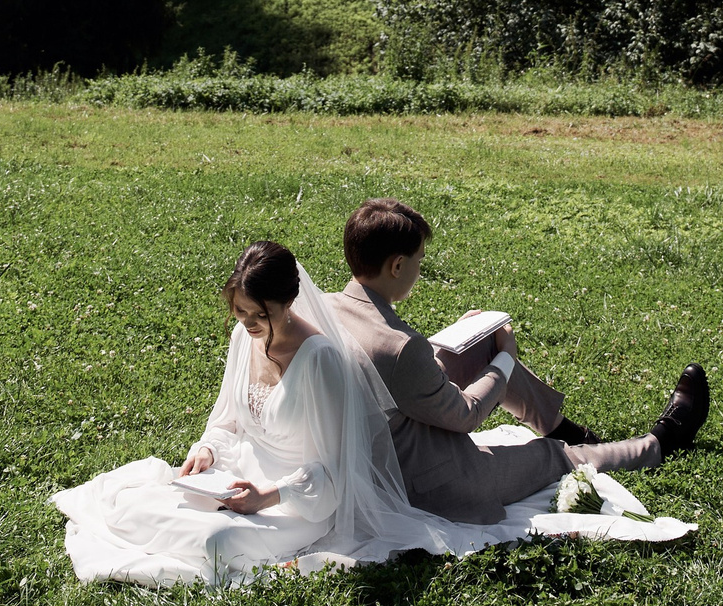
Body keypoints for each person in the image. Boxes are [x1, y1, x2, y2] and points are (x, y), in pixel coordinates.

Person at [52, 241, 458, 588]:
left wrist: (268, 496)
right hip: (235, 474)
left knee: (218, 543)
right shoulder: (243, 338)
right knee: (129, 503)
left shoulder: (320, 360)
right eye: (240, 312)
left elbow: (335, 471)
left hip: (297, 498)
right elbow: (227, 420)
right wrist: (208, 450)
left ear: (289, 303)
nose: (247, 323)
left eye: (259, 314)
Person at [327, 198, 710, 525]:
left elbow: (386, 366)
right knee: (555, 455)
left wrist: (456, 340)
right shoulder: (400, 347)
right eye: (419, 262)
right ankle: (658, 444)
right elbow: (465, 415)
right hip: (430, 480)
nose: (420, 271)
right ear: (397, 266)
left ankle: (565, 428)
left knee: (476, 346)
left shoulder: (327, 307)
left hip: (392, 429)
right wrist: (507, 358)